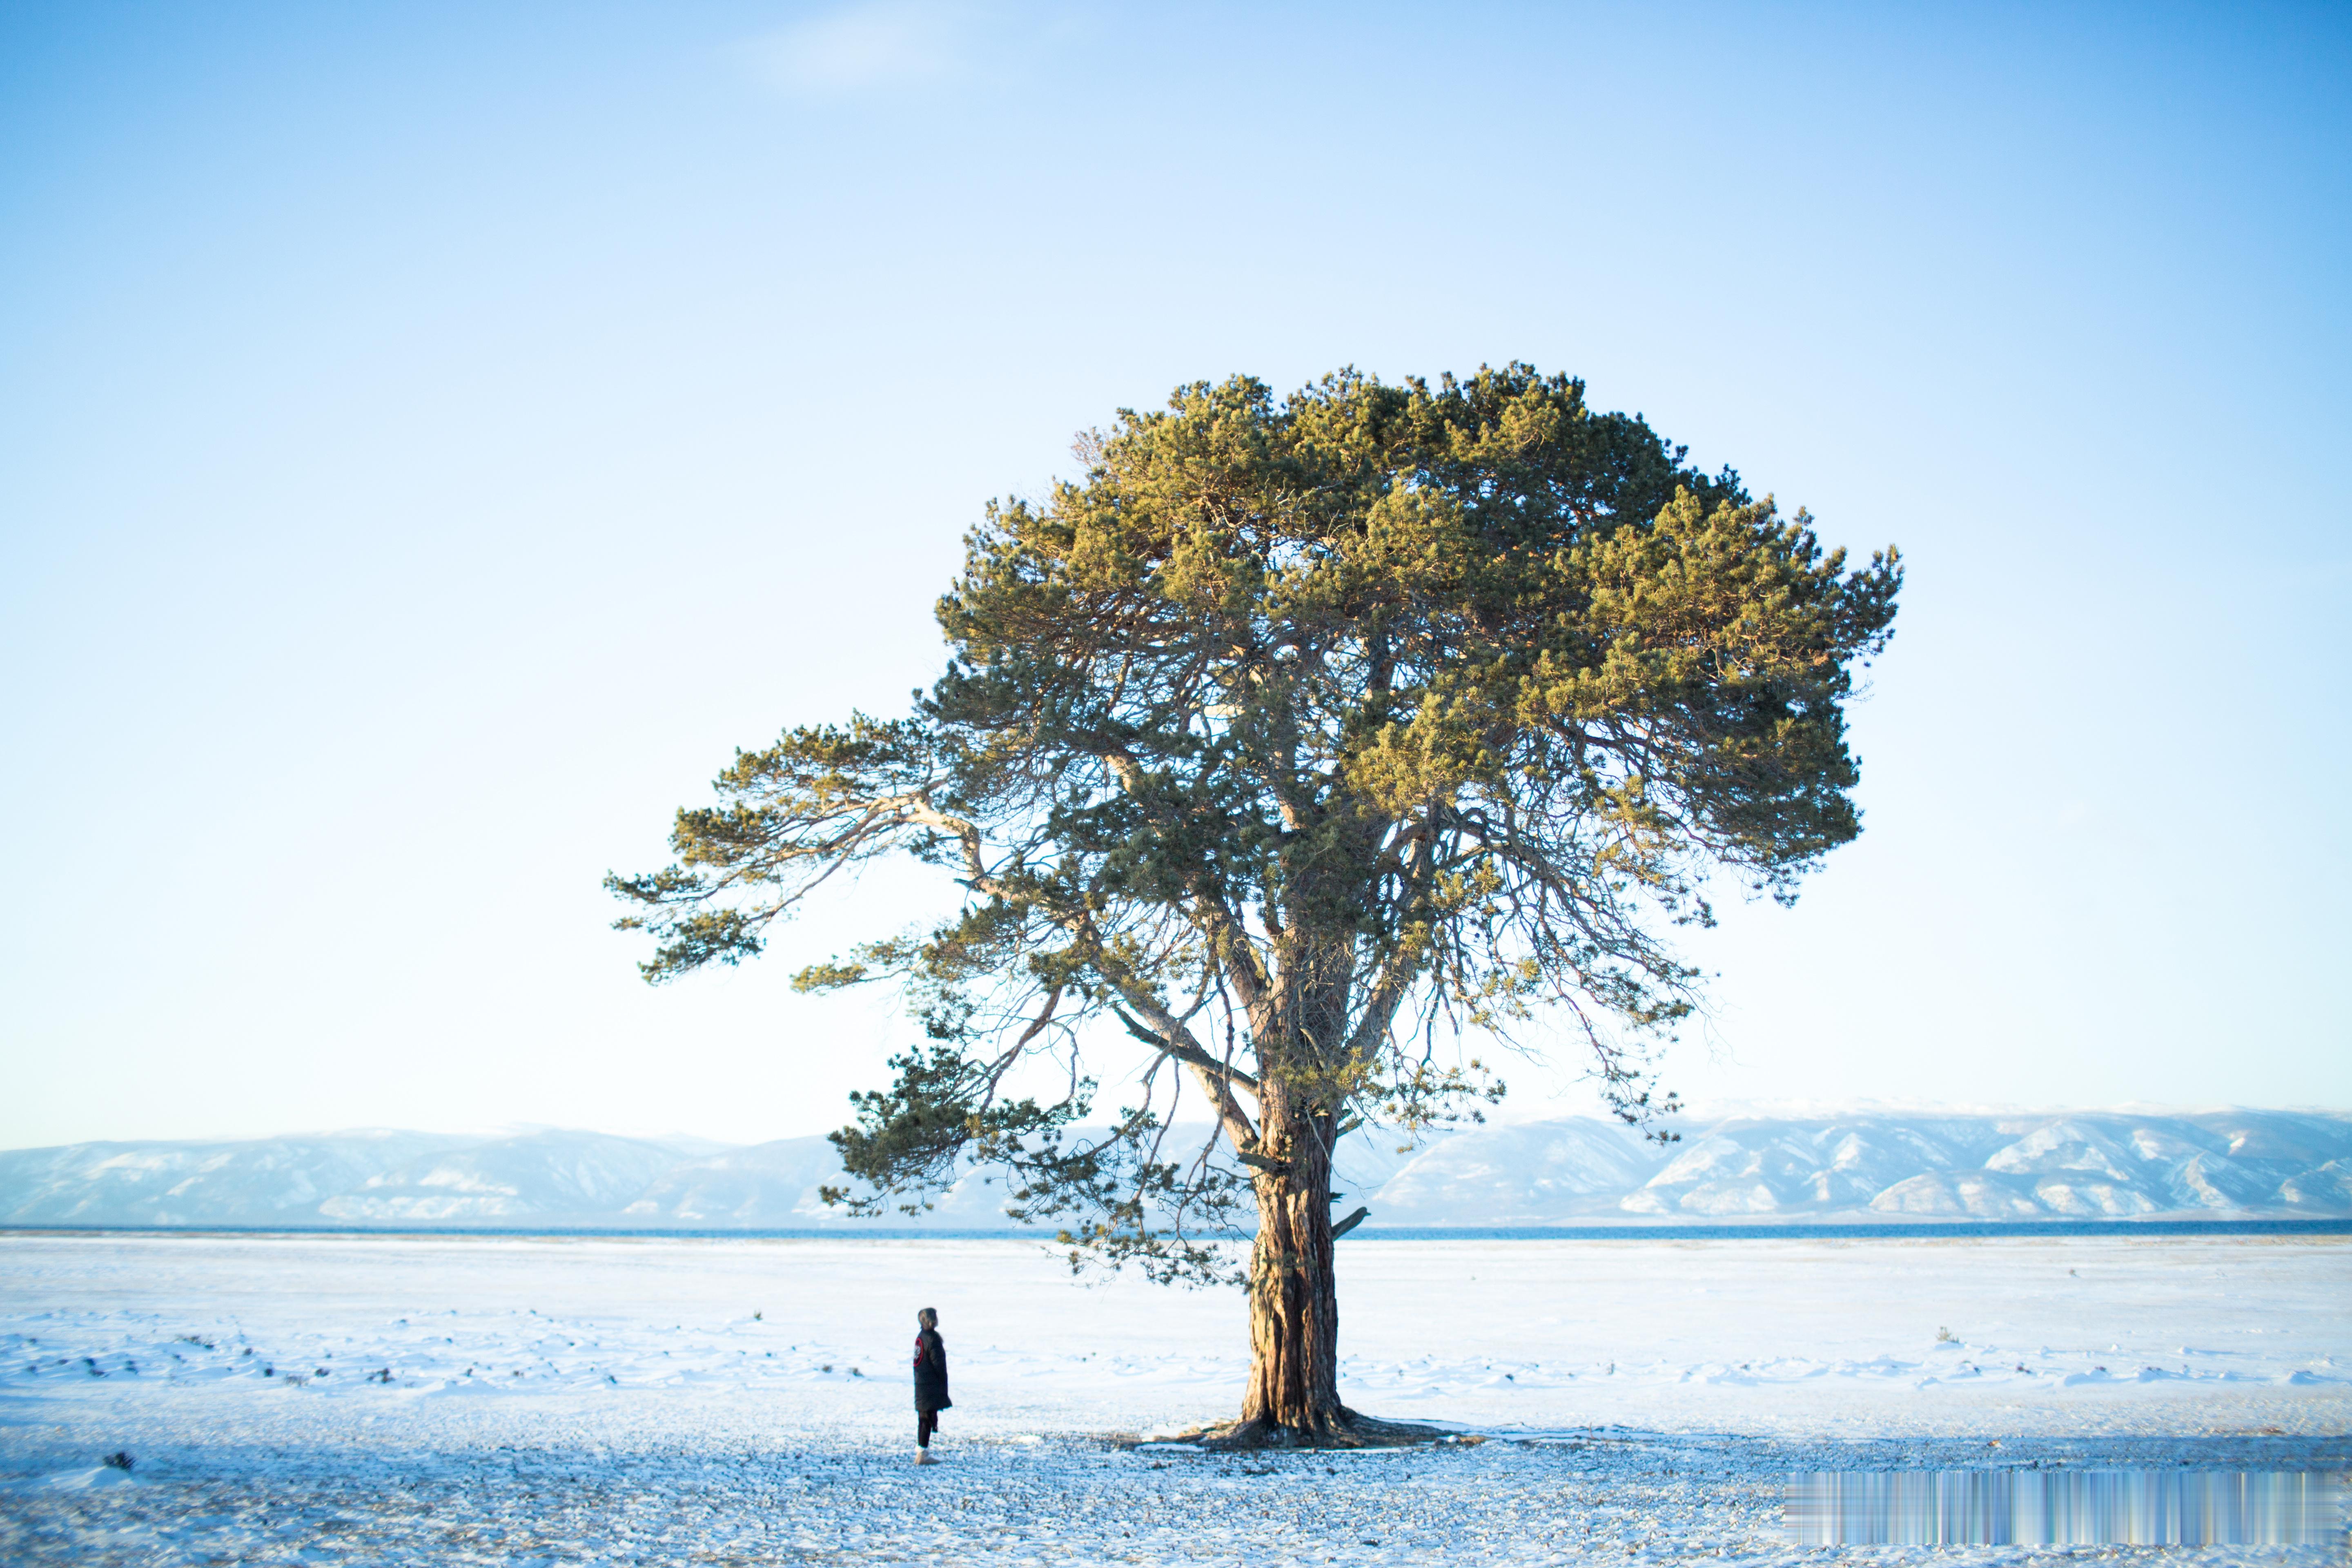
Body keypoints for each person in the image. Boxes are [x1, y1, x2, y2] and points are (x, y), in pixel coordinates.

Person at [912, 1306, 950, 1463]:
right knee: (927, 1418)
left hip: (921, 1383)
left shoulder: (921, 1337)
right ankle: (923, 1454)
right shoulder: (932, 1339)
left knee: (924, 1417)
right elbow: (938, 1364)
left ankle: (922, 1451)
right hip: (930, 1384)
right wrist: (943, 1383)